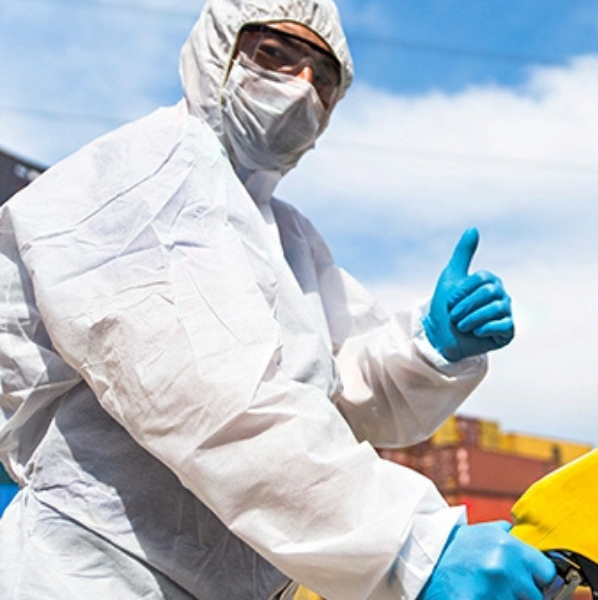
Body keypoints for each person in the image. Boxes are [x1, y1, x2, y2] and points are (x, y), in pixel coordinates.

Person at [0, 0, 556, 599]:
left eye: (324, 79)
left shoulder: (287, 239)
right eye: (274, 55)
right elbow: (216, 404)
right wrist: (413, 547)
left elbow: (332, 390)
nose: (301, 88)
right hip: (97, 573)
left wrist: (429, 349)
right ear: (216, 51)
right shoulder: (146, 177)